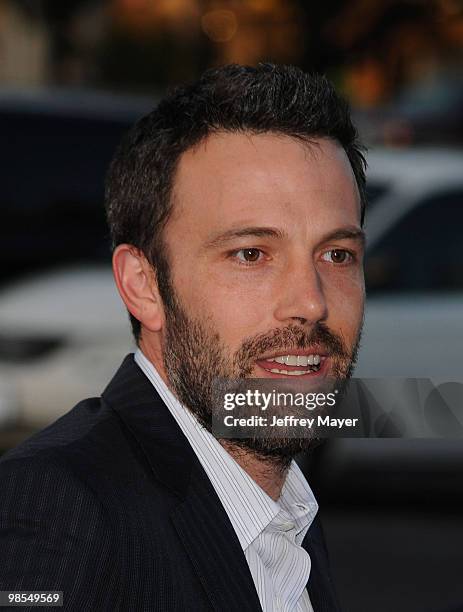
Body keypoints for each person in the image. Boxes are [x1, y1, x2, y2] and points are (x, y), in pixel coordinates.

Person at [0, 64, 366, 611]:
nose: (311, 302)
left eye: (337, 255)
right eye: (251, 254)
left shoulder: (284, 510)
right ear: (143, 284)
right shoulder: (53, 513)